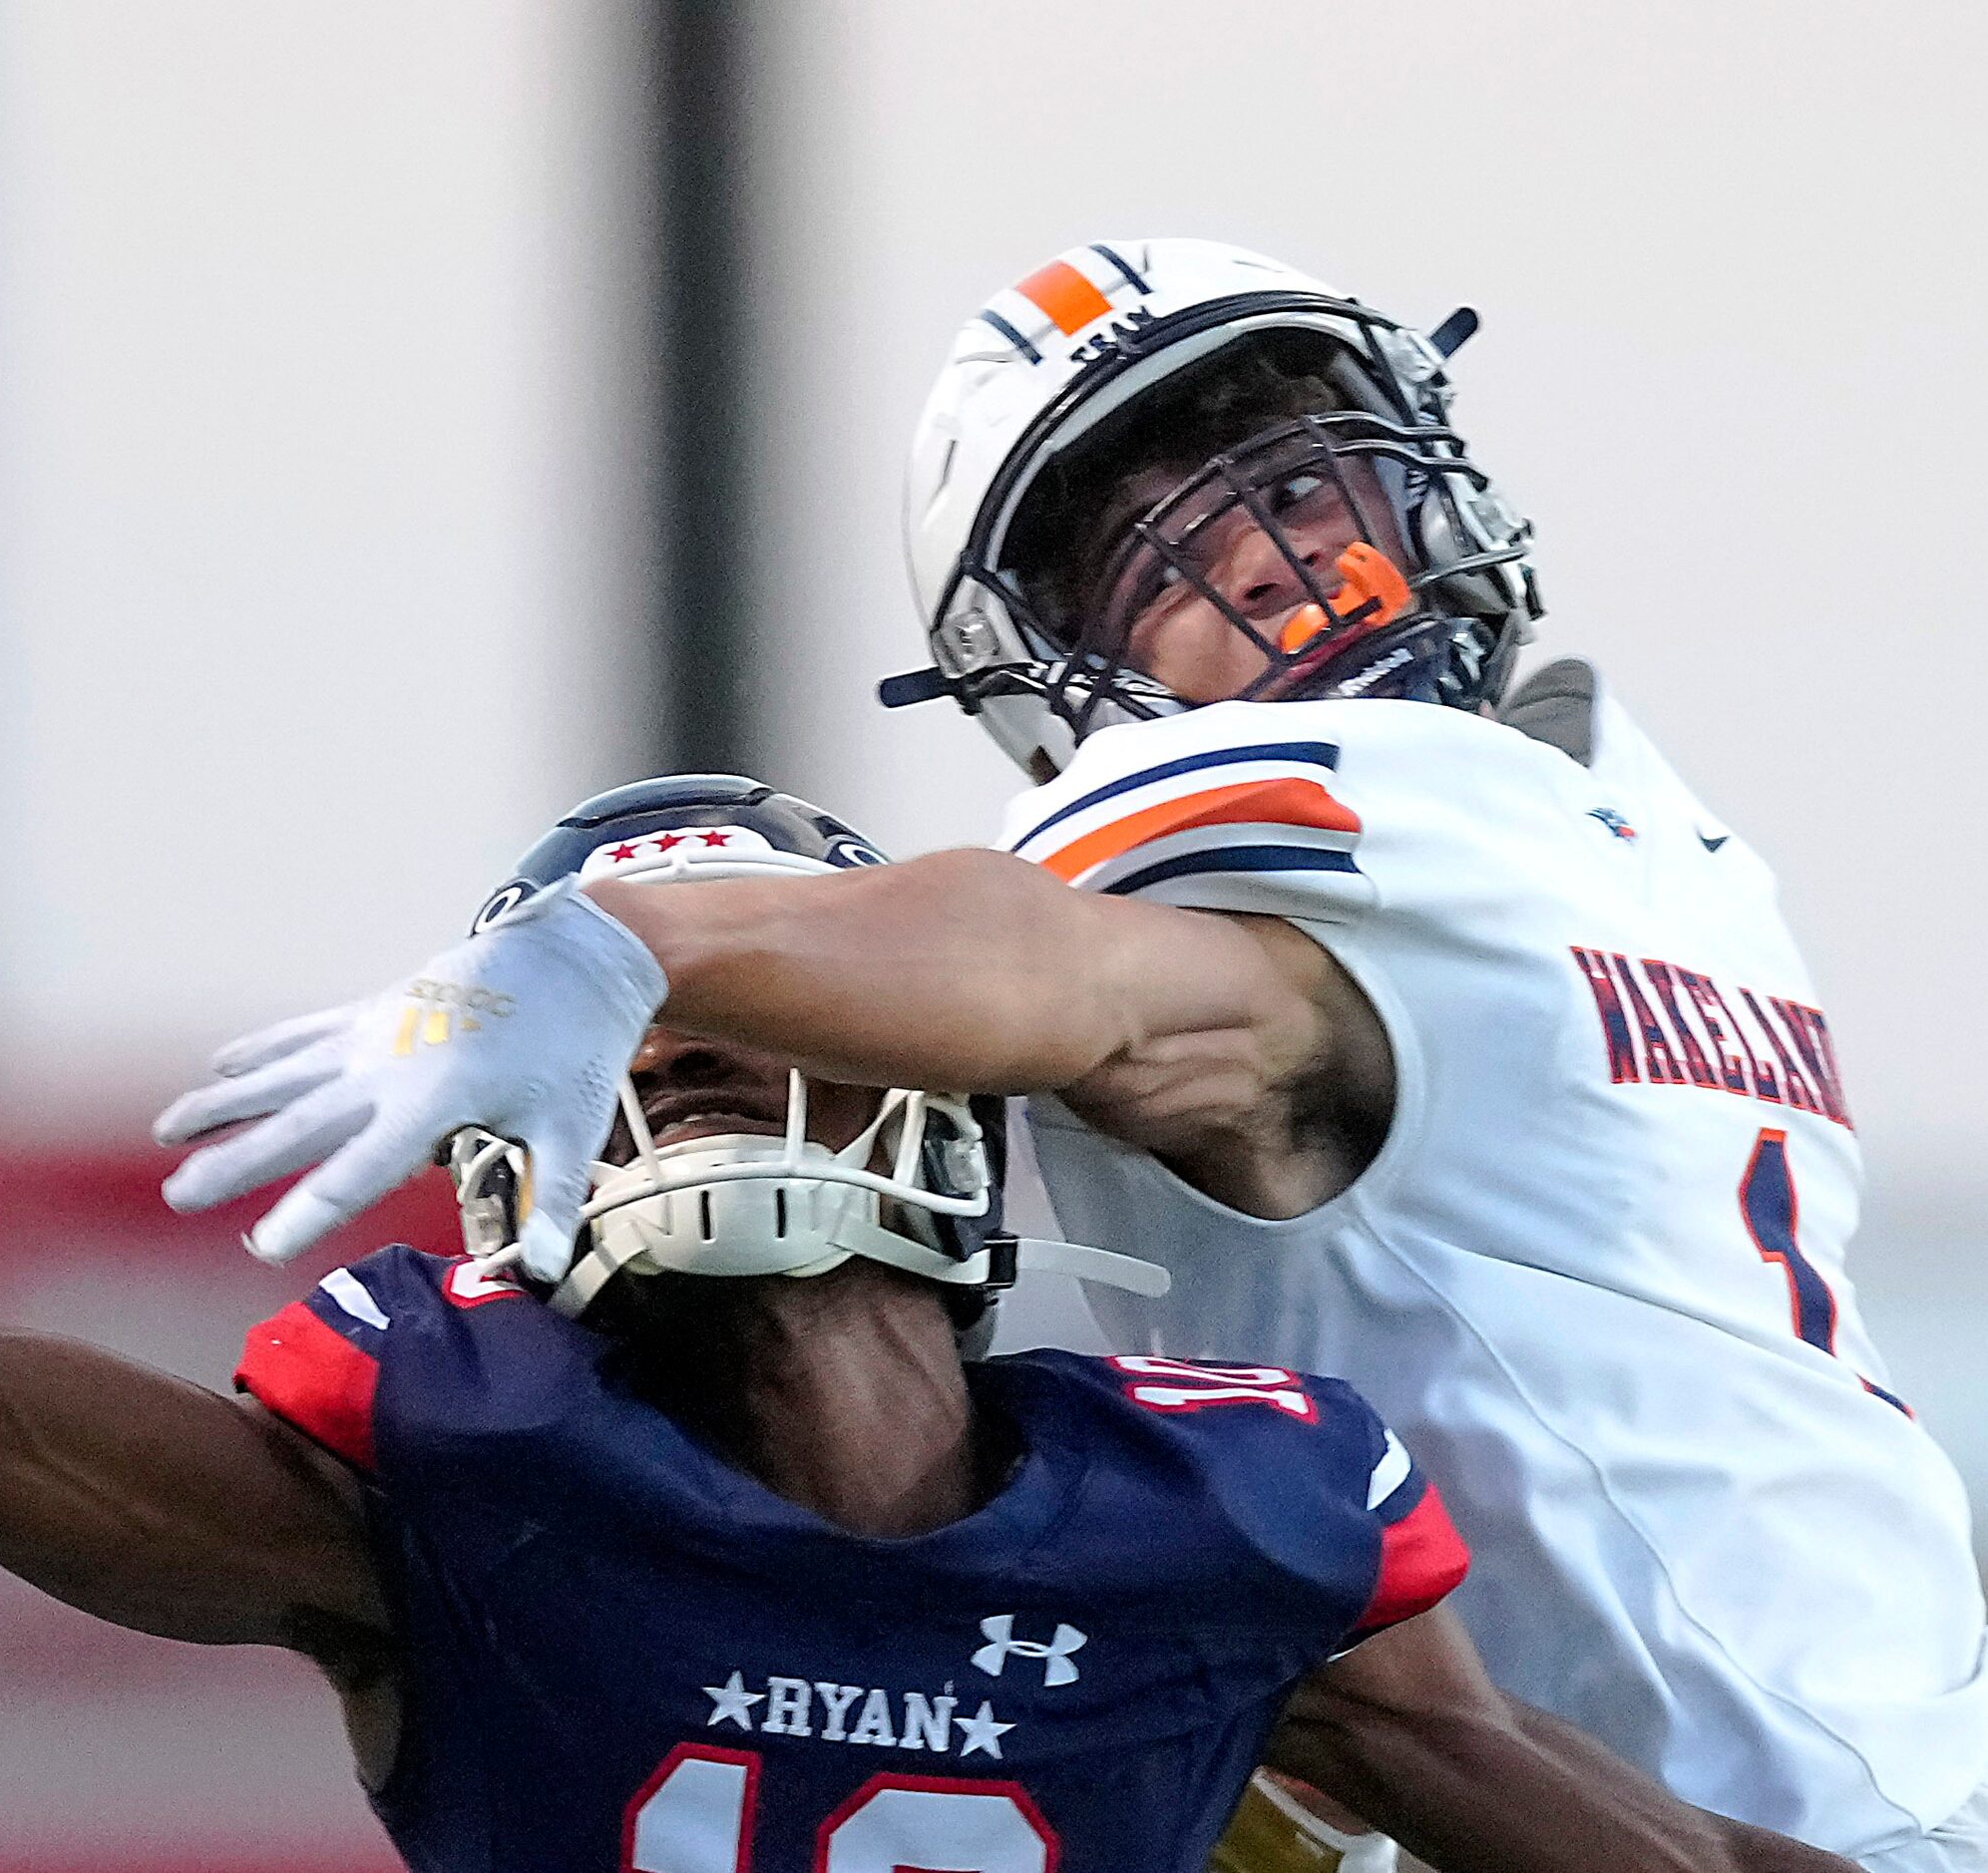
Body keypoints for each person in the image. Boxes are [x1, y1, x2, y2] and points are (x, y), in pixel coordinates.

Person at [0, 633, 1849, 1873]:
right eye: (623, 1036)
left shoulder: (1228, 1538)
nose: (675, 1068)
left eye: (723, 1011)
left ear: (961, 1119)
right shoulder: (466, 1494)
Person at [149, 241, 1988, 1872]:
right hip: (1784, 1778)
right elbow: (1069, 968)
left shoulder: (1531, 823)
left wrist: (627, 939)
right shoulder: (1638, 847)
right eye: (1146, 542)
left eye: (1300, 469)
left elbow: (1049, 964)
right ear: (1053, 663)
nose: (1267, 555)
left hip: (1747, 1785)